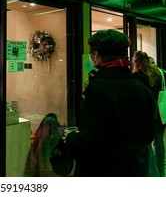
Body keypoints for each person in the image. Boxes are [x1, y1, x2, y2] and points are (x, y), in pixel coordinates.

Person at [63, 29, 156, 177]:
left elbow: (92, 142)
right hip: (133, 170)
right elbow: (148, 136)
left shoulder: (97, 89)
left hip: (100, 171)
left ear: (96, 55)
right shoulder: (143, 90)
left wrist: (70, 138)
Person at [132, 50, 165, 177]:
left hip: (148, 111)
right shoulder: (161, 72)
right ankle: (161, 172)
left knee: (147, 142)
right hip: (162, 110)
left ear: (136, 61)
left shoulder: (139, 75)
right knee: (159, 141)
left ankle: (153, 171)